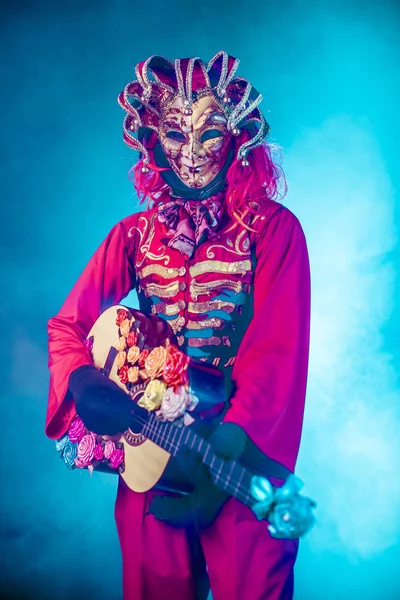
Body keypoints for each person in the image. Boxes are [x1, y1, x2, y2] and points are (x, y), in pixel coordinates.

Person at [46, 51, 311, 600]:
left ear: (239, 135)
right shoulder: (133, 234)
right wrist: (82, 379)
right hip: (152, 449)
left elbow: (277, 350)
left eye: (209, 132)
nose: (191, 153)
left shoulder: (274, 231)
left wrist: (233, 443)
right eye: (174, 134)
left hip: (236, 454)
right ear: (152, 138)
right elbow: (67, 325)